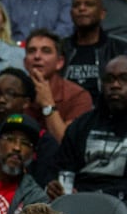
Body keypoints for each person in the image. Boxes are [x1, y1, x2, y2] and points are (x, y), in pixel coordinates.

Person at [49, 56, 127, 201]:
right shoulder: (82, 125)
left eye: (124, 79)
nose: (115, 85)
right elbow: (64, 169)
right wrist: (57, 187)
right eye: (109, 79)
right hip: (82, 202)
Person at [64, 0, 127, 103]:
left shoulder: (120, 48)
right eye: (76, 5)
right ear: (71, 14)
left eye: (89, 4)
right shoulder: (60, 48)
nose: (82, 8)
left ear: (102, 14)